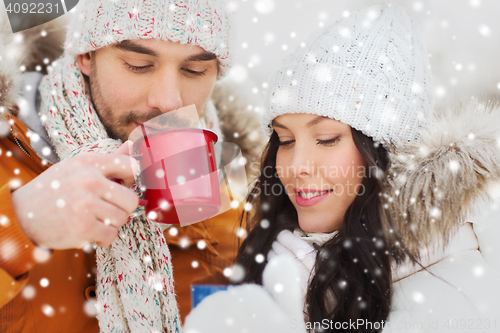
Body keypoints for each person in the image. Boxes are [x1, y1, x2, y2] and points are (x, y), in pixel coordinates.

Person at [184, 4, 500, 333]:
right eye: (286, 140)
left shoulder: (456, 303)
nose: (297, 167)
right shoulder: (282, 260)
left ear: (387, 154)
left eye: (327, 139)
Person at [0, 0, 264, 331]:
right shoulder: (8, 154)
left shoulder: (230, 196)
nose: (169, 101)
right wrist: (18, 225)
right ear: (86, 55)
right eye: (138, 65)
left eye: (195, 70)